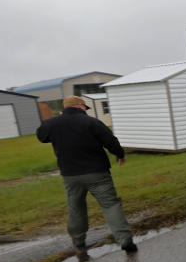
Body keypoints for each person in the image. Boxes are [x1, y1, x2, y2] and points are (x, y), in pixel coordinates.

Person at [36, 95, 137, 253]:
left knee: (76, 207)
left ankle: (78, 242)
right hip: (97, 172)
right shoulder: (91, 122)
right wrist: (120, 154)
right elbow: (110, 140)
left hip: (70, 175)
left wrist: (57, 125)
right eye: (85, 108)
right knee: (111, 205)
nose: (86, 110)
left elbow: (42, 136)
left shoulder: (52, 124)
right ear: (81, 106)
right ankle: (125, 240)